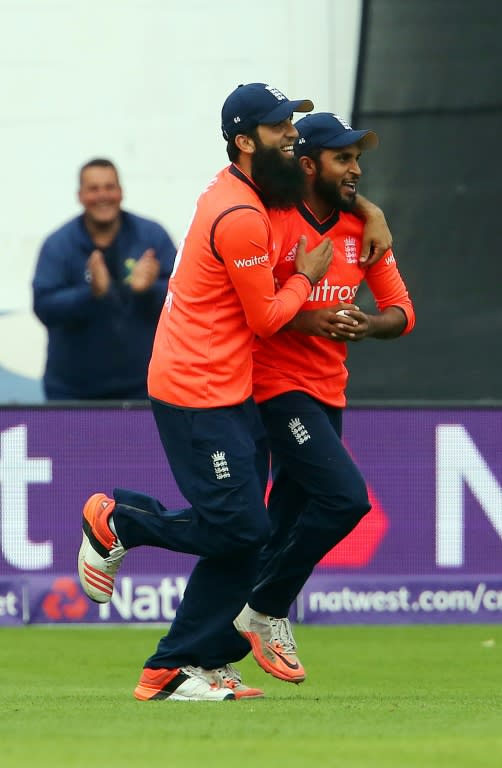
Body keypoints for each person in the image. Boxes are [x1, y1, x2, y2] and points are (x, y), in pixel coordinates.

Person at [77, 82, 335, 702]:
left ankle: (194, 662)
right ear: (246, 142)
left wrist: (371, 214)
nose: (291, 135)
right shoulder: (240, 213)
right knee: (242, 530)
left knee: (249, 532)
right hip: (195, 390)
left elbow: (322, 195)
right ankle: (120, 522)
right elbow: (269, 317)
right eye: (279, 128)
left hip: (229, 386)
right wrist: (305, 278)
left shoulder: (250, 191)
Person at [233, 112, 416, 684]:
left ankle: (208, 652)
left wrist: (368, 325)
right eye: (344, 158)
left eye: (358, 159)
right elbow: (255, 310)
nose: (356, 169)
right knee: (345, 499)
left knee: (278, 526)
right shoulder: (272, 221)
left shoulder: (365, 230)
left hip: (327, 395)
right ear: (308, 164)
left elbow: (403, 313)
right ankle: (264, 611)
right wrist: (310, 317)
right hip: (274, 388)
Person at [32, 158, 177, 400]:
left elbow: (184, 301)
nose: (103, 196)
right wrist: (91, 295)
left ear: (121, 192)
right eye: (94, 189)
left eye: (110, 187)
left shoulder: (152, 237)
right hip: (72, 393)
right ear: (80, 195)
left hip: (145, 389)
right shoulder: (58, 244)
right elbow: (43, 307)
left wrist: (149, 290)